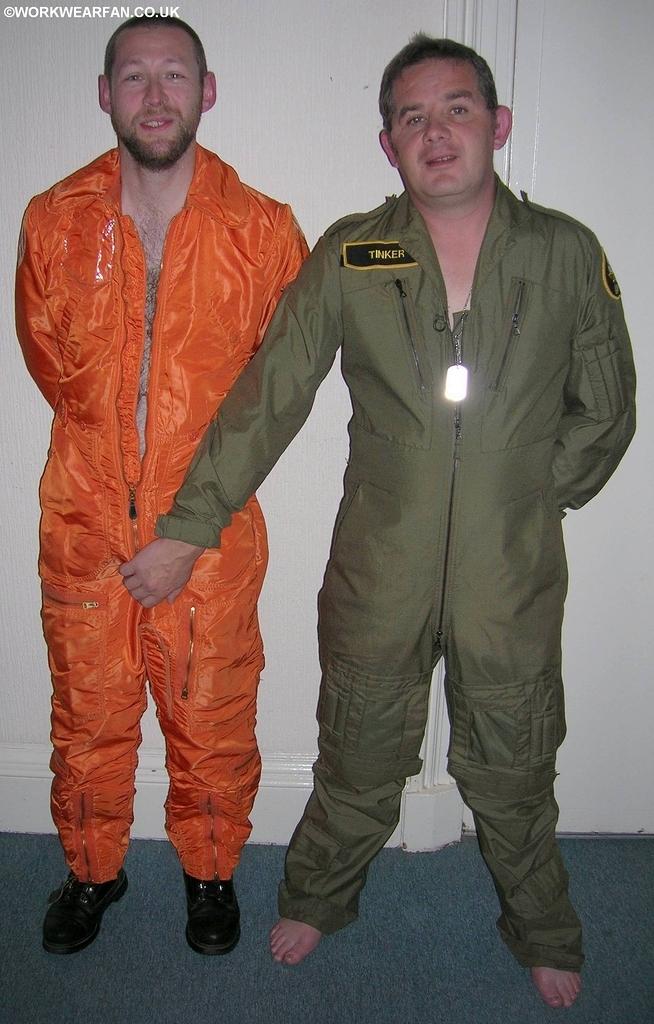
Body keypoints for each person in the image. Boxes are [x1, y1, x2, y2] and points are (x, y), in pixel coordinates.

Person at [121, 36, 636, 1008]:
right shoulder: (355, 253)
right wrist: (192, 525)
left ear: (498, 125)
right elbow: (271, 394)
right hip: (380, 562)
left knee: (515, 760)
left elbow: (607, 411)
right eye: (412, 118)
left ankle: (543, 926)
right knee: (357, 748)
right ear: (388, 143)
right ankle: (320, 896)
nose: (435, 133)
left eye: (456, 110)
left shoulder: (564, 253)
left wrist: (526, 499)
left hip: (510, 574)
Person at [15, 14, 307, 957]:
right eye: (133, 76)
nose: (153, 95)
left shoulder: (262, 231)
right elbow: (51, 364)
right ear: (105, 93)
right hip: (85, 518)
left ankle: (210, 872)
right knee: (88, 710)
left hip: (210, 527)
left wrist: (186, 518)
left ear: (205, 91)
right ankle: (92, 870)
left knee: (210, 709)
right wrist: (111, 485)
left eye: (173, 74)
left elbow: (277, 392)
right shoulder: (53, 219)